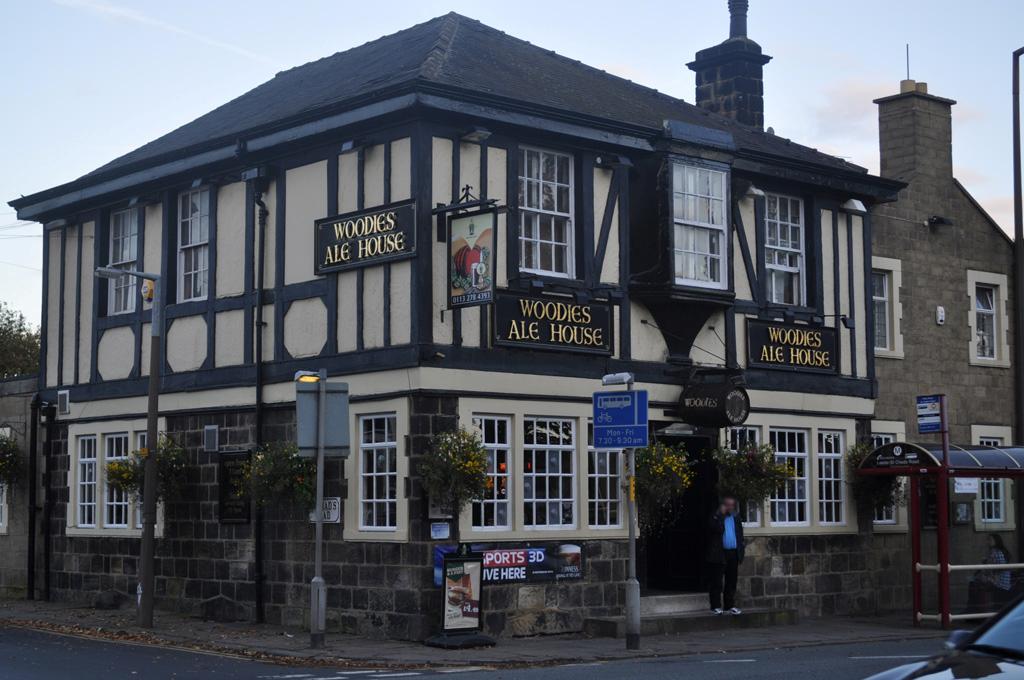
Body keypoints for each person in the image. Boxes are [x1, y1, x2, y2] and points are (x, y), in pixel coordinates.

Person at [707, 494, 745, 615]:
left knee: (731, 581)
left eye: (732, 505)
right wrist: (721, 515)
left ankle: (729, 605)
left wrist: (741, 550)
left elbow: (740, 534)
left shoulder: (736, 517)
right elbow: (715, 529)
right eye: (727, 505)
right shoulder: (715, 517)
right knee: (717, 581)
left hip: (733, 552)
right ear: (722, 505)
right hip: (720, 553)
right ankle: (715, 606)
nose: (730, 507)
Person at [968, 534, 1013, 612]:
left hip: (999, 582)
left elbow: (1001, 567)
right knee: (974, 580)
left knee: (974, 582)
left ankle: (975, 608)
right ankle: (974, 607)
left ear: (996, 541)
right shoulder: (994, 552)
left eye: (990, 540)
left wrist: (988, 569)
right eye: (988, 540)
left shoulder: (997, 552)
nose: (988, 542)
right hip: (998, 580)